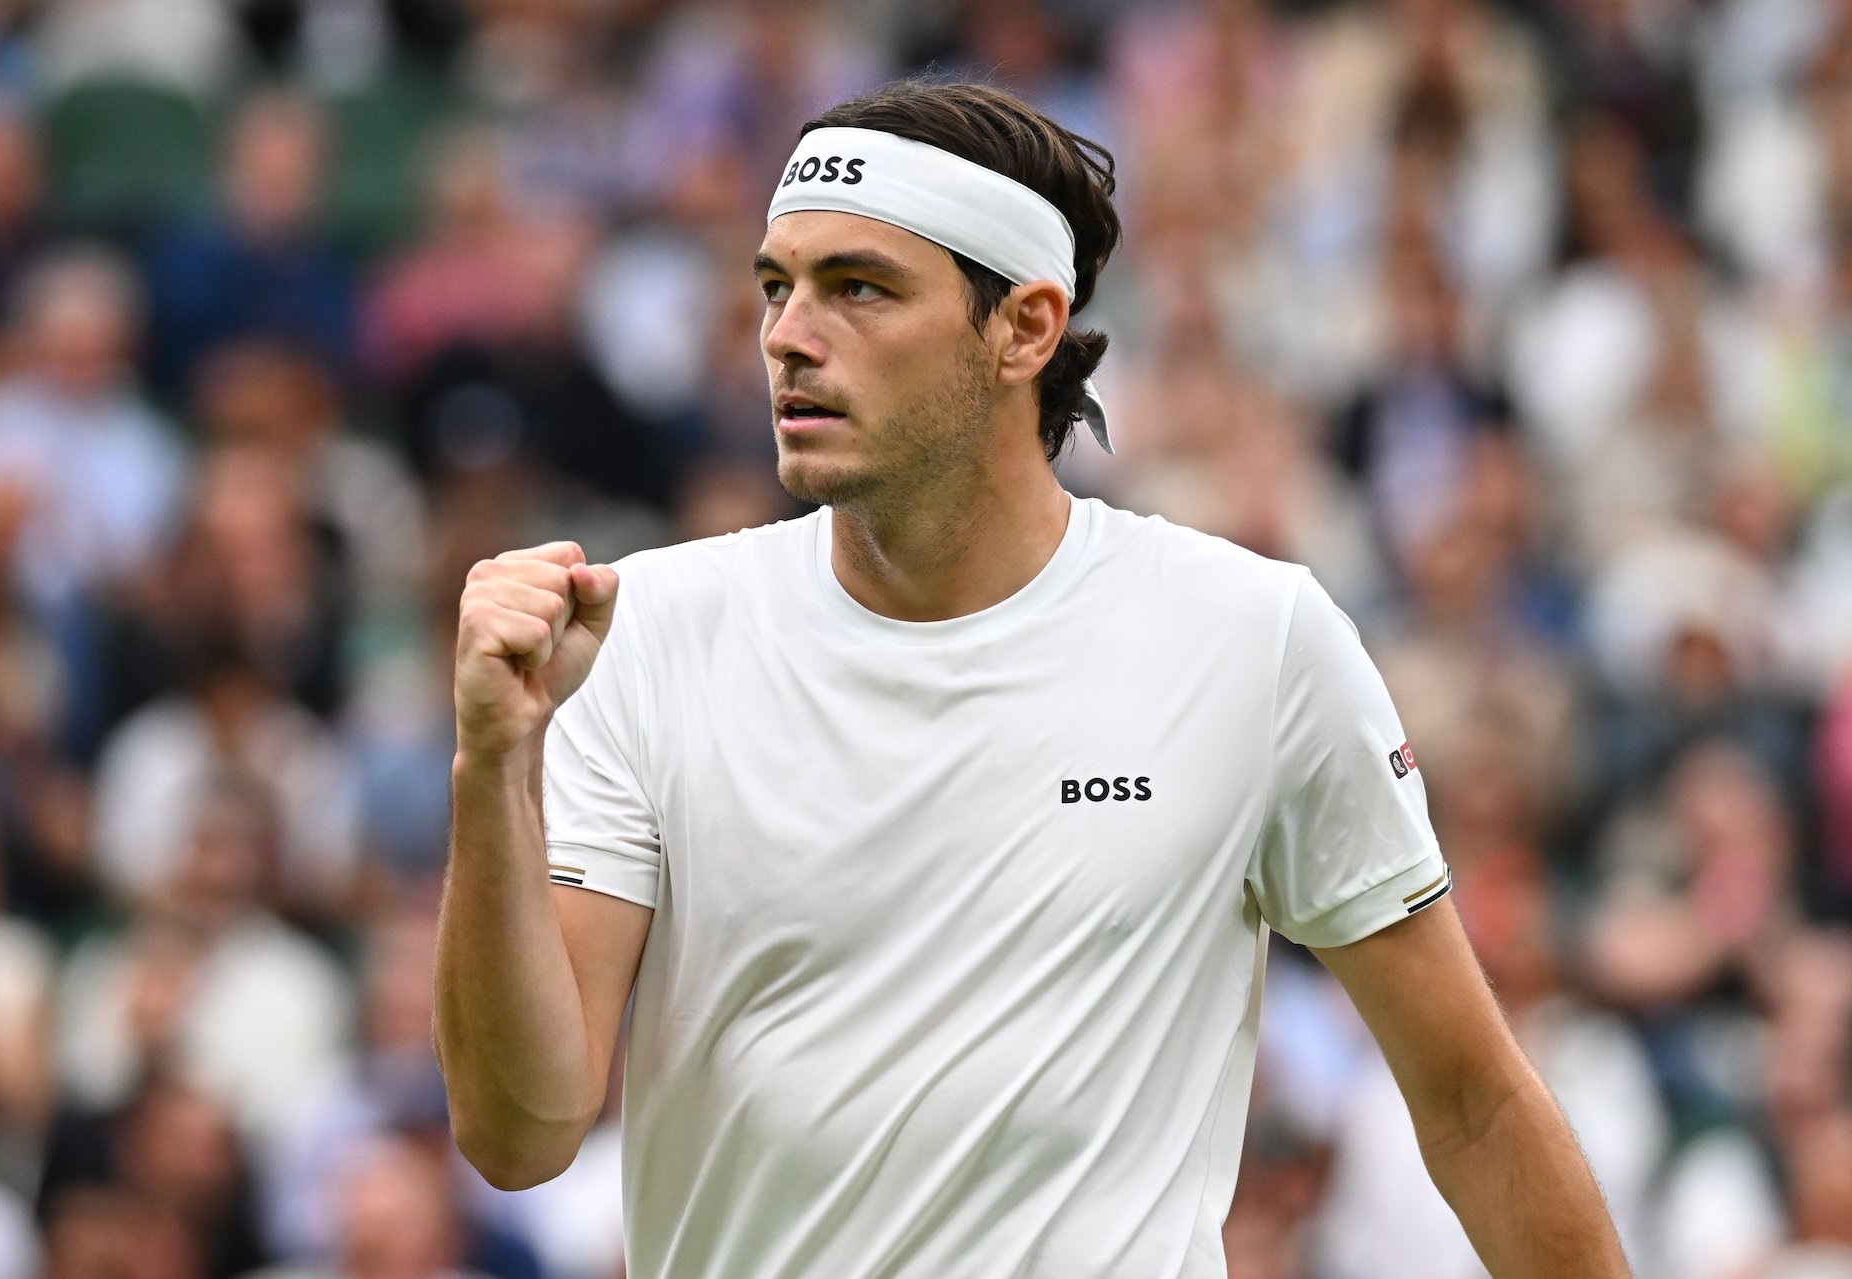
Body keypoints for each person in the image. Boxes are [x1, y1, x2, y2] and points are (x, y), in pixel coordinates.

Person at [435, 78, 1631, 1278]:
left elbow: (1474, 1105)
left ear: (1025, 327)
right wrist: (497, 767)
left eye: (859, 287)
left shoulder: (1252, 637)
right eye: (776, 286)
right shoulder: (634, 635)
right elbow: (521, 1134)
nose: (789, 335)